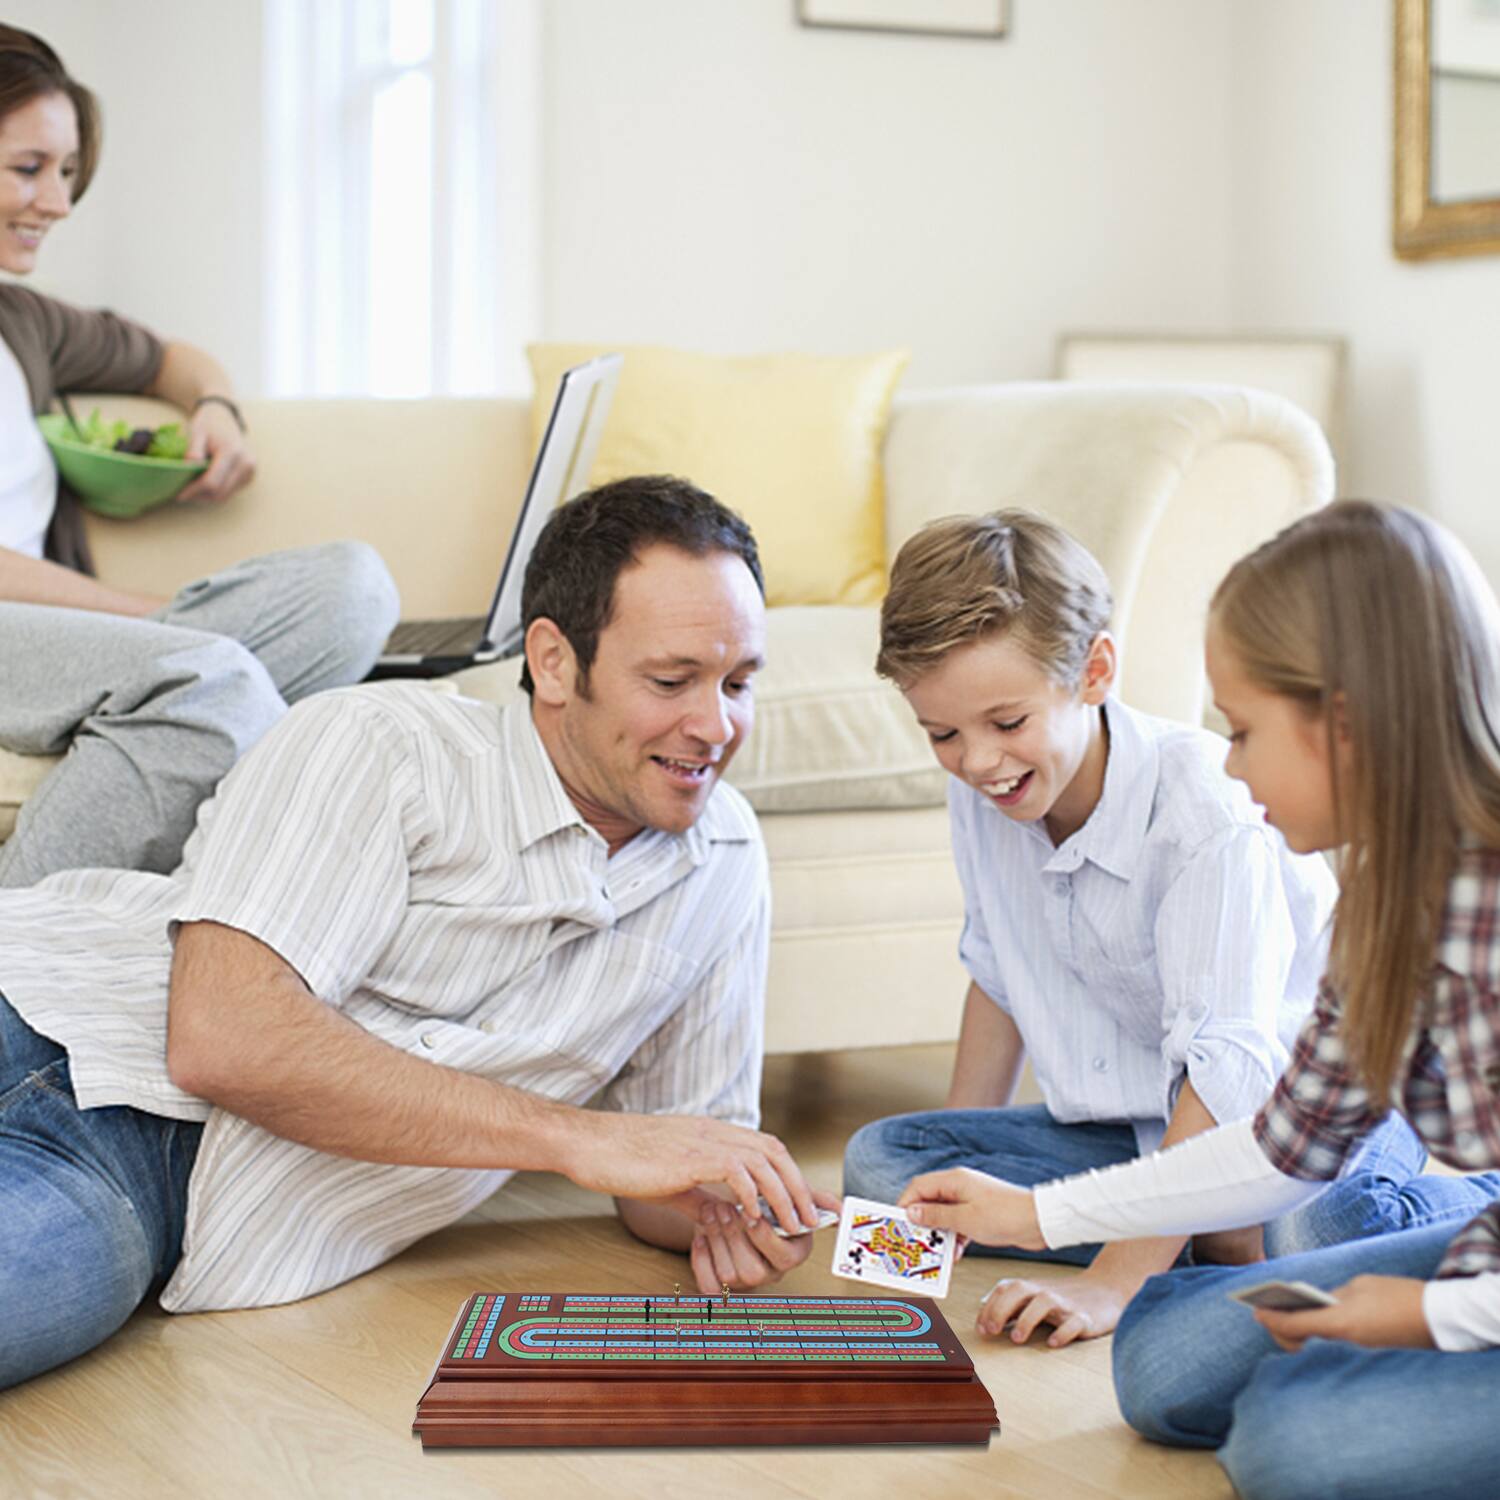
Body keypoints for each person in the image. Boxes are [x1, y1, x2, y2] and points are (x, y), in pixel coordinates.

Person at [0, 474, 838, 1392]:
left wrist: (730, 1209)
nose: (715, 725)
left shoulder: (723, 861)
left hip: (148, 1186)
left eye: (740, 682)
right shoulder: (377, 743)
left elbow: (664, 1182)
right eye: (672, 681)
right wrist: (577, 1139)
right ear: (555, 662)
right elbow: (224, 1037)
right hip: (50, 1027)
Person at [897, 501, 1500, 1499]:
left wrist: (1420, 1322)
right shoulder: (1388, 898)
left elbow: (1249, 1103)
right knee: (1164, 1367)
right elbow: (1280, 1146)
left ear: (1344, 726)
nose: (1230, 761)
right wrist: (1035, 1212)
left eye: (1247, 728)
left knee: (1289, 1444)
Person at [0, 25, 398, 886]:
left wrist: (215, 407)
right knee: (213, 675)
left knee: (352, 589)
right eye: (28, 169)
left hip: (48, 642)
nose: (59, 203)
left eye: (67, 173)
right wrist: (138, 619)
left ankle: (160, 712)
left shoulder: (23, 322)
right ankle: (18, 947)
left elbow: (171, 360)